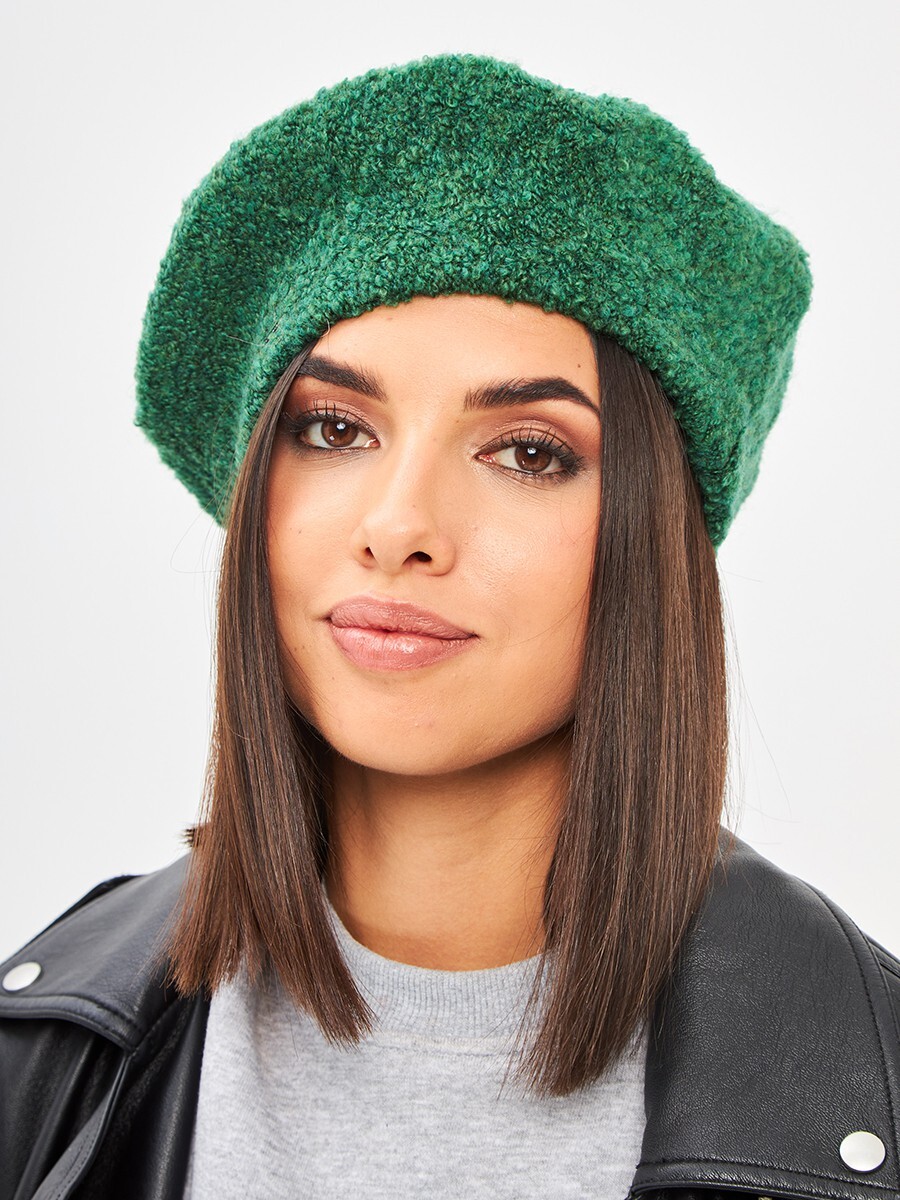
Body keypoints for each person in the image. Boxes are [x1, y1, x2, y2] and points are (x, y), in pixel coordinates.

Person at [0, 53, 897, 1200]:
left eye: (527, 451)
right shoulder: (41, 1051)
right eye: (334, 430)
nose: (400, 527)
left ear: (655, 537)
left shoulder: (870, 1080)